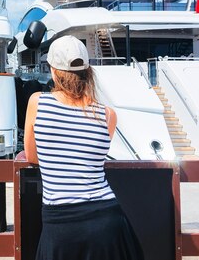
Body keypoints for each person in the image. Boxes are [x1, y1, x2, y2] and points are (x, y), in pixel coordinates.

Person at [23, 35, 144, 260]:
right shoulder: (108, 115)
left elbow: (32, 156)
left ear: (53, 71)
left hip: (61, 224)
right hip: (107, 220)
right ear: (88, 72)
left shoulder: (37, 102)